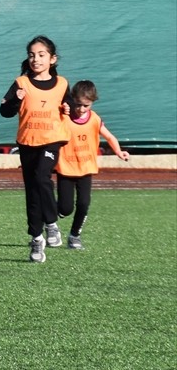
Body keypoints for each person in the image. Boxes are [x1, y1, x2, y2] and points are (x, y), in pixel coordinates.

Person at [0, 35, 71, 263]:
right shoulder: (21, 83)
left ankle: (51, 223)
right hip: (28, 141)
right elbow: (4, 111)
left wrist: (70, 108)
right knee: (32, 191)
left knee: (42, 177)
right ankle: (36, 239)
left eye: (41, 55)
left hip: (52, 140)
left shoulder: (62, 84)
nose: (36, 59)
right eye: (32, 55)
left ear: (52, 59)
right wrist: (15, 100)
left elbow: (70, 105)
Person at [55, 80, 130, 250]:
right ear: (72, 99)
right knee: (65, 209)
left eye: (86, 106)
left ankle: (74, 236)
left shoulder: (94, 119)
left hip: (86, 168)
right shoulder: (64, 117)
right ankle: (48, 218)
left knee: (83, 204)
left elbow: (109, 137)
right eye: (78, 104)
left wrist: (119, 151)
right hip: (66, 168)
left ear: (92, 103)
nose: (81, 109)